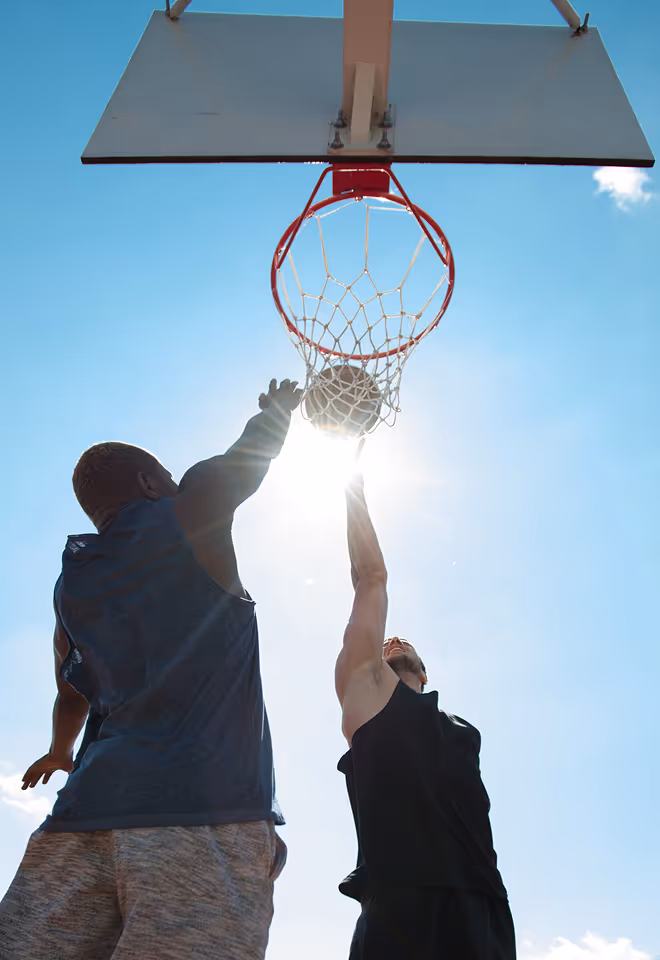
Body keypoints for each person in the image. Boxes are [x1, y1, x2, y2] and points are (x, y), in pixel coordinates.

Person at [0, 378, 301, 960]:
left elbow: (70, 693)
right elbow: (243, 463)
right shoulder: (190, 511)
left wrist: (62, 752)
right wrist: (280, 411)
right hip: (199, 813)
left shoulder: (71, 584)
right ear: (148, 483)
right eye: (163, 477)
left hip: (80, 818)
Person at [335, 447, 516, 960]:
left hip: (483, 905)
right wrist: (350, 481)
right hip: (402, 904)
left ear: (425, 671)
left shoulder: (460, 727)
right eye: (386, 640)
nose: (394, 640)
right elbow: (370, 578)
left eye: (405, 643)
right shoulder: (366, 691)